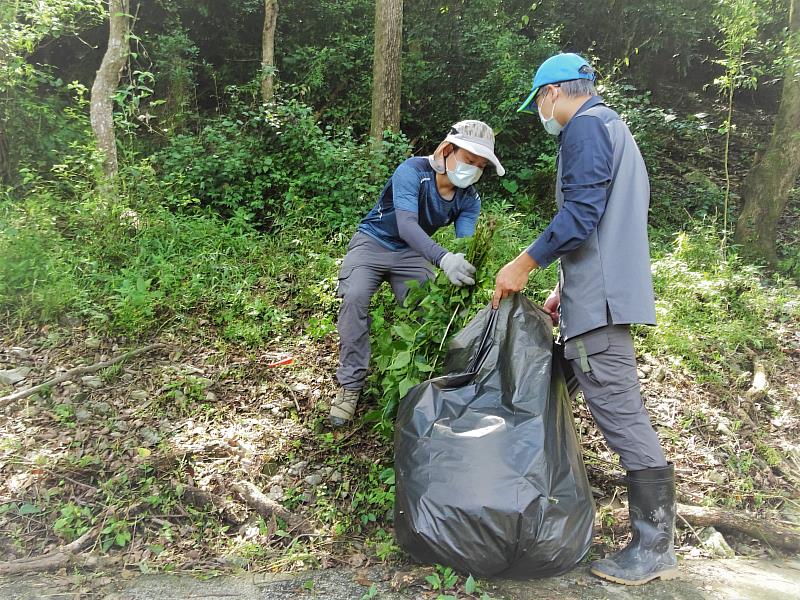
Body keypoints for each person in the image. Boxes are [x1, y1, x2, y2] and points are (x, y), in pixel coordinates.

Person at [492, 53, 676, 586]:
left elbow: (579, 217)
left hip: (601, 308)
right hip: (595, 295)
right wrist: (563, 287)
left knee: (620, 412)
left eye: (539, 104)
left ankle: (654, 547)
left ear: (552, 94)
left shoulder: (585, 129)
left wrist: (522, 265)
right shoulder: (614, 128)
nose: (542, 114)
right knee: (575, 401)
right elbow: (602, 226)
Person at [330, 121, 505, 427]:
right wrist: (443, 258)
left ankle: (422, 381)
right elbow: (407, 225)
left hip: (412, 255)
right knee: (354, 298)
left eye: (480, 166)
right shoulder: (412, 171)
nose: (473, 170)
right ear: (447, 150)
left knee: (427, 309)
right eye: (469, 160)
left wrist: (463, 263)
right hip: (373, 242)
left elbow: (464, 242)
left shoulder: (469, 199)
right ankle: (350, 385)